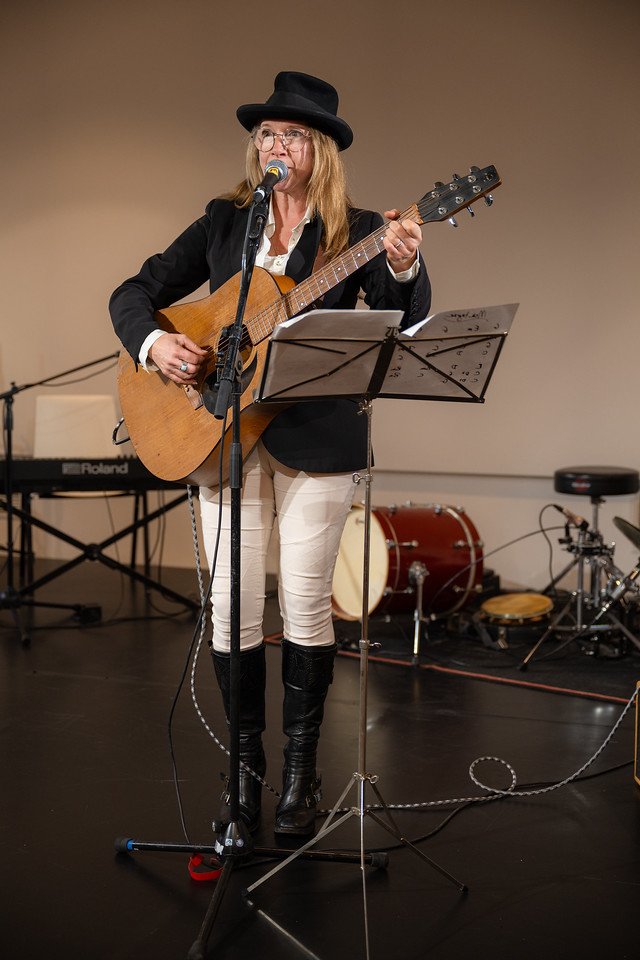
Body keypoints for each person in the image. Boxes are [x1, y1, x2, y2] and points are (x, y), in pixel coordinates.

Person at [109, 71, 431, 837]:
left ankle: (299, 778)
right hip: (223, 433)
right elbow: (134, 290)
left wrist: (405, 263)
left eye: (290, 136)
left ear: (319, 150)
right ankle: (243, 775)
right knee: (229, 608)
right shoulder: (227, 222)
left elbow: (404, 320)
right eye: (265, 135)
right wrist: (158, 345)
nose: (273, 146)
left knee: (306, 605)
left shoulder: (356, 228)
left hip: (318, 440)